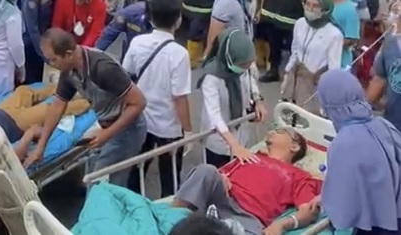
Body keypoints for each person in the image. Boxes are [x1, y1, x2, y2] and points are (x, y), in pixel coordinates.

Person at [24, 28, 147, 187]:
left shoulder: (102, 68)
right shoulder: (69, 71)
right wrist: (40, 148)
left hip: (128, 129)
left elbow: (139, 102)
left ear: (68, 54)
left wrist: (107, 134)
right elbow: (57, 106)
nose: (51, 65)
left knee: (103, 185)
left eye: (53, 60)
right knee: (92, 177)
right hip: (106, 124)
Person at [170, 128, 321, 235]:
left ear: (295, 146)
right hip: (223, 199)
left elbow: (309, 211)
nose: (271, 131)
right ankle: (171, 218)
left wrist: (282, 225)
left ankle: (208, 223)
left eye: (280, 131)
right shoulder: (250, 156)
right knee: (207, 170)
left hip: (249, 218)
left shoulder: (299, 176)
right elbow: (213, 178)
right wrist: (221, 176)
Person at [123, 0, 192, 197]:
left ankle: (133, 211)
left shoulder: (137, 43)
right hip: (168, 127)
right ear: (178, 20)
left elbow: (127, 77)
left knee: (136, 173)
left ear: (150, 19)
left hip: (141, 120)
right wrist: (188, 131)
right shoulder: (179, 54)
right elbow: (179, 97)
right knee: (169, 177)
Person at [317, 69, 401, 234]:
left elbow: (342, 204)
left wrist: (324, 201)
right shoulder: (384, 125)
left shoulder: (343, 143)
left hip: (376, 226)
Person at [197, 28, 267, 168]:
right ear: (229, 58)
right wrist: (234, 145)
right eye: (243, 65)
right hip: (219, 142)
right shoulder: (211, 78)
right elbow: (215, 116)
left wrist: (258, 100)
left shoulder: (244, 64)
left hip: (241, 134)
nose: (246, 67)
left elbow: (251, 79)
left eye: (249, 63)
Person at [282, 0, 343, 114]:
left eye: (315, 6)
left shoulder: (334, 34)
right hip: (295, 78)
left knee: (306, 121)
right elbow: (295, 51)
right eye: (307, 4)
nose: (310, 8)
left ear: (325, 9)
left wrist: (328, 96)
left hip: (314, 84)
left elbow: (334, 68)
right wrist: (287, 74)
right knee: (287, 116)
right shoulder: (300, 23)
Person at [21, 0, 68, 83]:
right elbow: (32, 28)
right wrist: (44, 53)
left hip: (44, 39)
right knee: (33, 80)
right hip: (32, 44)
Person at [326, 0, 360, 69]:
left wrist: (327, 46)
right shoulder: (327, 4)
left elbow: (351, 38)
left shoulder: (349, 9)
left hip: (339, 63)